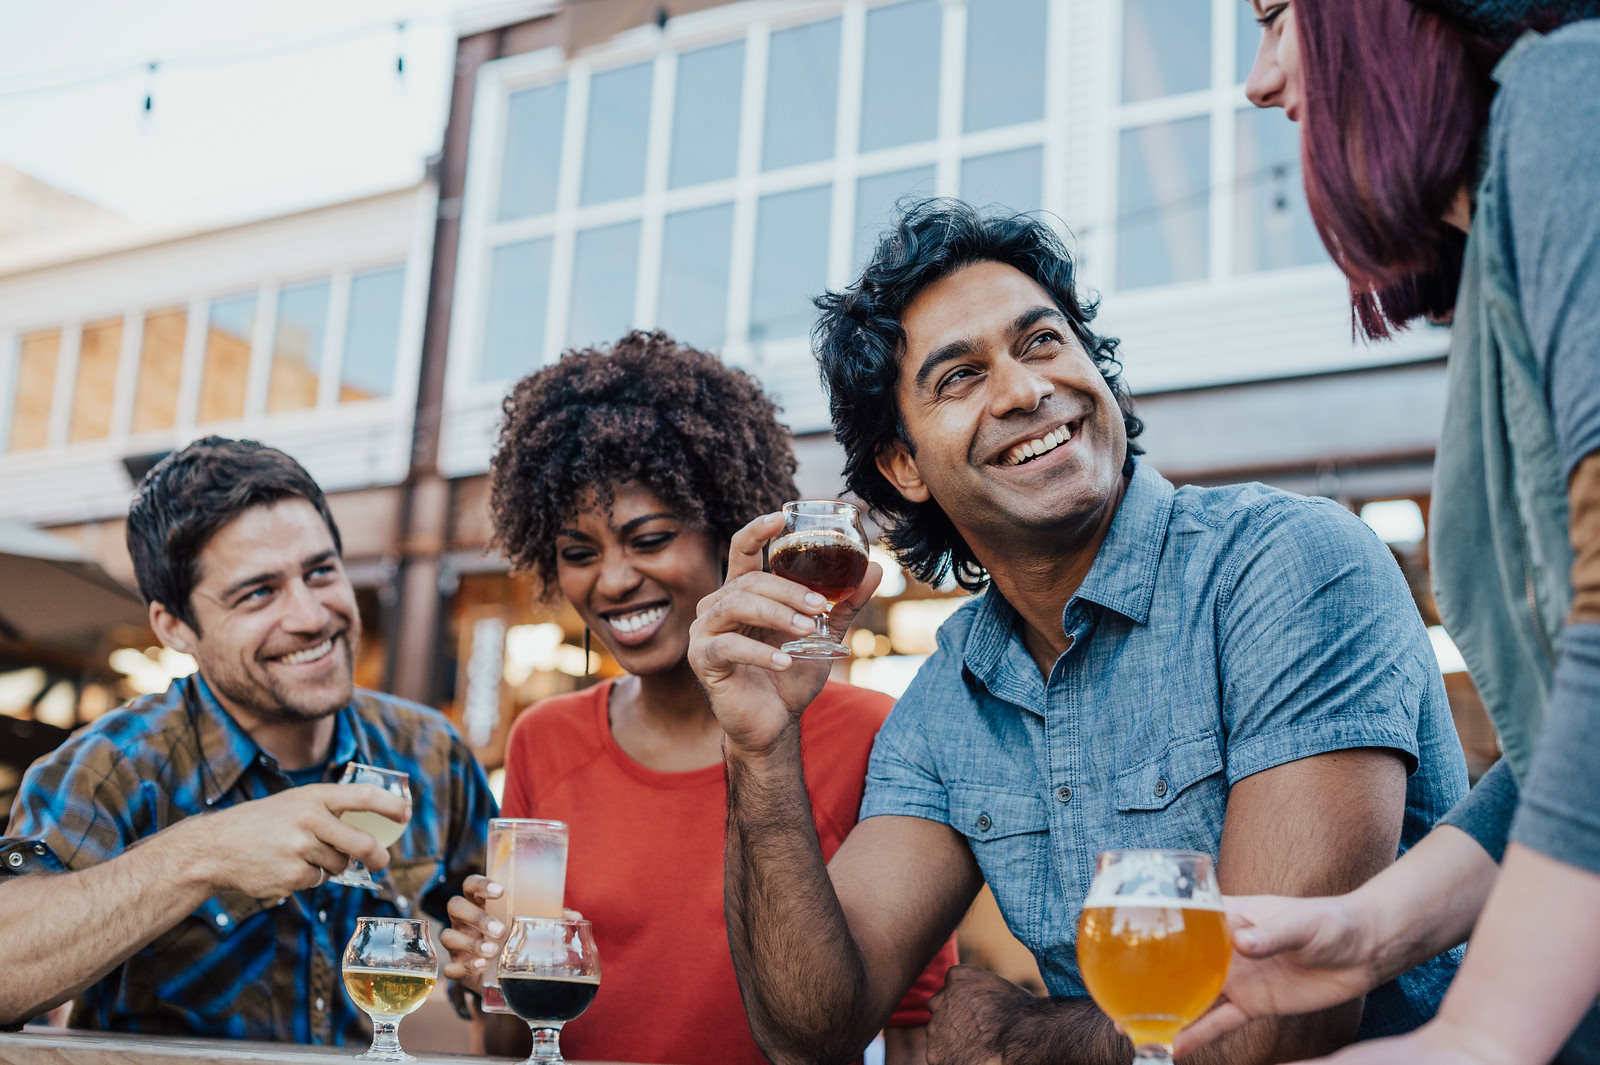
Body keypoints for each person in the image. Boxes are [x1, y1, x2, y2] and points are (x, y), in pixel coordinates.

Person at [686, 198, 1472, 1065]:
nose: (1025, 390)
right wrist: (758, 748)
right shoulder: (951, 697)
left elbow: (1283, 1017)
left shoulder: (1288, 565)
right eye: (959, 377)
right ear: (903, 466)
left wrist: (1030, 1039)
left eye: (1043, 341)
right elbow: (812, 1028)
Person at [1171, 3, 1600, 1064]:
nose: (1258, 81)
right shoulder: (1503, 230)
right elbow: (1564, 750)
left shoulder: (1569, 102)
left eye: (1277, 17)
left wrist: (1484, 1030)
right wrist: (1369, 930)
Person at [437, 330, 956, 1065]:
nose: (612, 580)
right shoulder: (544, 739)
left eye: (648, 538)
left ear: (726, 529)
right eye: (579, 553)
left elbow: (911, 1031)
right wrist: (490, 977)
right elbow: (513, 1042)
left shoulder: (868, 734)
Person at [0, 437, 497, 1042]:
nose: (311, 616)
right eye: (258, 592)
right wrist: (202, 856)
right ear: (175, 625)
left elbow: (498, 966)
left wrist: (492, 967)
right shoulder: (112, 765)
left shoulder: (430, 751)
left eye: (321, 572)